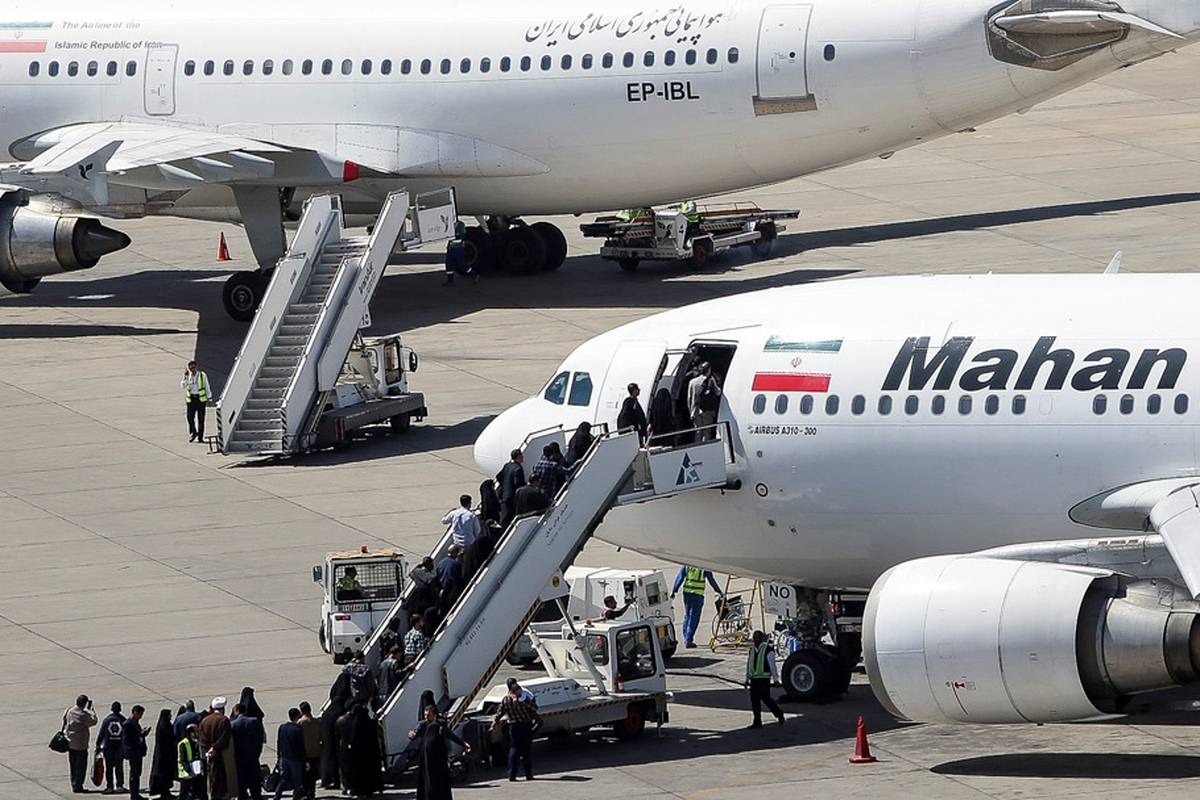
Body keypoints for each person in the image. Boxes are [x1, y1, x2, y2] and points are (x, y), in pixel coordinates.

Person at [409, 703, 470, 800]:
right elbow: (414, 735)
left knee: (440, 780)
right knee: (428, 781)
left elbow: (450, 735)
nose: (426, 717)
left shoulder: (440, 725)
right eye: (425, 715)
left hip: (439, 758)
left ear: (434, 715)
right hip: (427, 758)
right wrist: (411, 734)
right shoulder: (423, 725)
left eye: (428, 715)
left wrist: (463, 743)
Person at [489, 678, 539, 782]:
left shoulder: (505, 699)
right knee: (526, 750)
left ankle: (512, 775)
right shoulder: (523, 699)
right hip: (525, 725)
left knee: (514, 749)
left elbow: (500, 712)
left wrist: (494, 722)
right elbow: (534, 708)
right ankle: (528, 774)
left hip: (513, 726)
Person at [671, 565, 724, 648]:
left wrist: (674, 590)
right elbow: (711, 580)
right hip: (697, 594)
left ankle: (686, 637)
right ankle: (689, 640)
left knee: (687, 615)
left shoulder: (687, 564)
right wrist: (719, 591)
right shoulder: (703, 565)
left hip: (687, 593)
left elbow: (680, 577)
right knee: (694, 617)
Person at [338, 705, 383, 798]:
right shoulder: (368, 723)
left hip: (354, 755)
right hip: (369, 755)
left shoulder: (350, 724)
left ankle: (356, 790)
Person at [197, 697, 237, 800]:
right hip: (222, 756)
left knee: (212, 779)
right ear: (222, 709)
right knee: (223, 781)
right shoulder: (224, 720)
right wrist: (215, 748)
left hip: (209, 756)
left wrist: (209, 749)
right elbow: (224, 738)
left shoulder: (205, 721)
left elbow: (201, 739)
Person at [745, 630, 786, 728]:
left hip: (764, 679)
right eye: (754, 637)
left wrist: (776, 679)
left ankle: (779, 714)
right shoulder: (752, 650)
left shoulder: (768, 650)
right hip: (754, 679)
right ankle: (757, 722)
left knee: (766, 699)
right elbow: (749, 664)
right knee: (754, 701)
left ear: (761, 638)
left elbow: (772, 665)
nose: (755, 639)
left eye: (757, 637)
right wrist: (747, 679)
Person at [320, 673, 349, 790]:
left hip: (327, 737)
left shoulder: (328, 711)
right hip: (336, 740)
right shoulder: (342, 710)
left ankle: (327, 779)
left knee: (328, 756)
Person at [64, 694, 98, 794]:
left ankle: (74, 783)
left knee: (73, 766)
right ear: (84, 704)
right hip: (81, 745)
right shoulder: (83, 715)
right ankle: (78, 785)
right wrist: (92, 711)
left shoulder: (69, 710)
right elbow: (94, 721)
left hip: (71, 743)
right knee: (81, 767)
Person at [229, 704, 264, 800]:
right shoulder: (255, 721)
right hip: (253, 757)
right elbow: (260, 738)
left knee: (241, 786)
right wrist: (258, 752)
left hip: (240, 759)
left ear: (237, 710)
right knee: (255, 786)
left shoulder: (233, 725)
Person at [272, 709, 305, 800]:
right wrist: (305, 760)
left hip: (284, 757)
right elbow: (301, 746)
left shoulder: (282, 727)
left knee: (283, 779)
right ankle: (296, 797)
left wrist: (279, 756)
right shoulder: (298, 729)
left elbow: (279, 742)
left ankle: (277, 795)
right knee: (297, 781)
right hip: (295, 759)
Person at [98, 701, 128, 794]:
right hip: (119, 747)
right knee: (119, 767)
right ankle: (119, 785)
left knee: (109, 767)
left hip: (108, 747)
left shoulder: (107, 720)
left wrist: (98, 744)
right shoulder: (123, 720)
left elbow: (101, 734)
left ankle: (110, 786)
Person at [687, 362, 722, 441]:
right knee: (707, 432)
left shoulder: (692, 382)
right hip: (707, 410)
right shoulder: (711, 380)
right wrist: (714, 382)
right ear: (709, 370)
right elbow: (718, 392)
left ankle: (697, 446)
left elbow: (689, 398)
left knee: (698, 431)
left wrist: (691, 412)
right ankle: (706, 447)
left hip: (695, 410)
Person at [180, 361, 212, 443]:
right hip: (191, 400)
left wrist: (209, 398)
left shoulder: (202, 375)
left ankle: (200, 437)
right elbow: (182, 386)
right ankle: (193, 433)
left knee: (201, 419)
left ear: (196, 367)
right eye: (191, 368)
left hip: (200, 400)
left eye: (193, 368)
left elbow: (207, 386)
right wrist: (185, 377)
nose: (192, 370)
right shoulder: (188, 376)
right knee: (190, 417)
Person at [149, 709, 176, 800]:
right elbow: (169, 738)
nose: (170, 716)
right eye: (169, 715)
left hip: (165, 754)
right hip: (164, 755)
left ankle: (166, 792)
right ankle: (164, 793)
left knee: (167, 775)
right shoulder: (164, 726)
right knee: (163, 774)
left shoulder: (165, 724)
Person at [123, 705, 149, 800]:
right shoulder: (128, 724)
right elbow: (128, 740)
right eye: (140, 714)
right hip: (133, 752)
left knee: (137, 774)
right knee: (134, 774)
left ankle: (136, 793)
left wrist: (142, 734)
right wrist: (140, 735)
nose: (141, 716)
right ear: (135, 713)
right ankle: (134, 795)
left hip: (138, 752)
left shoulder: (135, 722)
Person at [296, 703, 321, 800]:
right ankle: (312, 791)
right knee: (313, 774)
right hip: (315, 751)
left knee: (304, 774)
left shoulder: (300, 722)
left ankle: (305, 791)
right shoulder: (317, 722)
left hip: (305, 752)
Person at [495, 449, 526, 527]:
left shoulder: (507, 465)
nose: (523, 457)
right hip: (512, 497)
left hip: (504, 495)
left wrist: (504, 485)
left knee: (505, 516)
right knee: (511, 516)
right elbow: (518, 483)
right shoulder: (518, 468)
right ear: (518, 457)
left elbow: (498, 476)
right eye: (521, 456)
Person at [442, 220, 478, 286]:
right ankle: (450, 280)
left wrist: (456, 235)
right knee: (448, 264)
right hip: (451, 248)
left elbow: (463, 236)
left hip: (458, 248)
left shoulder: (460, 225)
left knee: (462, 265)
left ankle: (474, 274)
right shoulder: (449, 223)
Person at [176, 724, 205, 800]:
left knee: (201, 794)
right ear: (191, 733)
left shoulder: (197, 742)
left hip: (197, 772)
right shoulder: (183, 743)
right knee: (184, 795)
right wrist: (190, 771)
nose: (198, 733)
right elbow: (183, 760)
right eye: (196, 731)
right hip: (187, 774)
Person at [435, 546, 464, 614]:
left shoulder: (440, 563)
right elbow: (458, 579)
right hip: (452, 591)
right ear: (454, 552)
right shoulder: (456, 564)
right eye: (457, 552)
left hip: (442, 592)